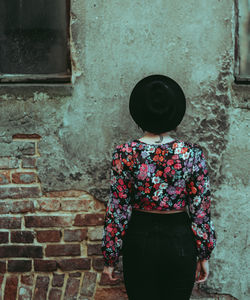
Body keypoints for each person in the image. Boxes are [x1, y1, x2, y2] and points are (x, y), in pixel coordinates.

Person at [101, 74, 217, 300]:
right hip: (179, 241)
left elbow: (118, 209)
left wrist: (110, 257)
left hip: (139, 239)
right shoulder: (192, 155)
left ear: (139, 113)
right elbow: (200, 210)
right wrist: (204, 255)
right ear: (175, 113)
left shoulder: (125, 154)